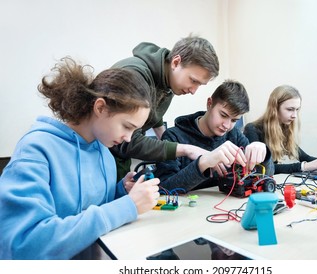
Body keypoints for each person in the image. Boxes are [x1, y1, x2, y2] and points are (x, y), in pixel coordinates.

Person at [0, 57, 161, 260]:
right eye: (127, 126)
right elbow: (26, 245)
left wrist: (121, 191)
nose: (128, 138)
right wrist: (128, 206)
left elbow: (94, 210)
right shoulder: (36, 149)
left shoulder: (105, 154)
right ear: (100, 108)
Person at [110, 35, 220, 181]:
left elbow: (153, 111)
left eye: (199, 84)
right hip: (100, 160)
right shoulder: (135, 75)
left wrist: (164, 134)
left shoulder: (169, 81)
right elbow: (124, 140)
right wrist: (186, 149)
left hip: (119, 162)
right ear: (176, 62)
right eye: (193, 81)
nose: (194, 90)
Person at [154, 80, 274, 193]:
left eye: (234, 120)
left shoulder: (234, 135)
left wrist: (264, 155)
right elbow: (163, 189)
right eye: (223, 115)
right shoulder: (174, 136)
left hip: (228, 210)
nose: (227, 125)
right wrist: (203, 163)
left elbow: (264, 176)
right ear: (209, 104)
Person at [243, 85, 317, 174]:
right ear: (274, 108)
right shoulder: (252, 129)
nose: (295, 116)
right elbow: (262, 169)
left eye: (297, 109)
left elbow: (306, 158)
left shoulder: (282, 128)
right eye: (290, 109)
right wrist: (303, 167)